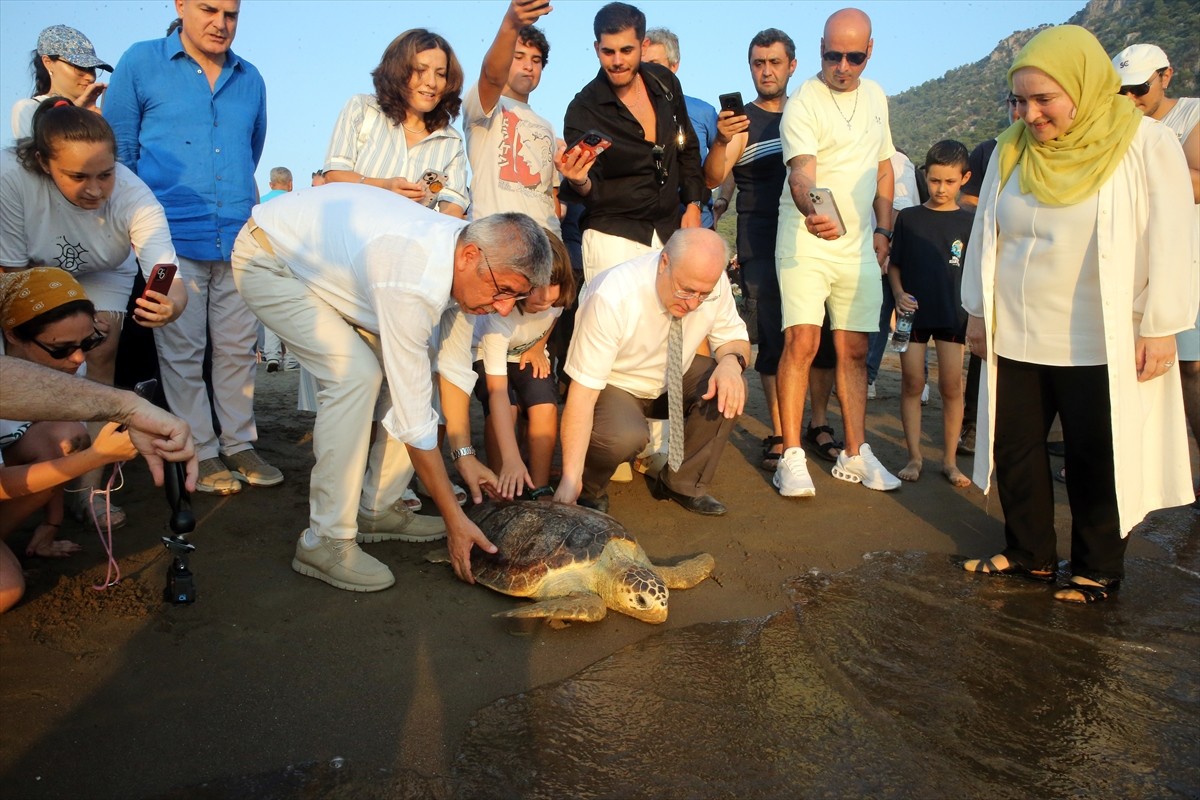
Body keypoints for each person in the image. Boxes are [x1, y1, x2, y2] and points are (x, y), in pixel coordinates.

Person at [961, 25, 1197, 604]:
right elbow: (986, 230)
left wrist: (1161, 324)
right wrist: (977, 312)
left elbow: (1173, 235)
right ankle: (1029, 553)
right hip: (1018, 325)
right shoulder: (1010, 148)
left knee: (1097, 452)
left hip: (1101, 332)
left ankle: (1098, 567)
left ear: (1085, 87)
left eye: (1045, 99)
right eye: (1020, 100)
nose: (1031, 113)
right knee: (1014, 444)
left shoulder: (1144, 143)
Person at [230, 183, 551, 592]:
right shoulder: (412, 277)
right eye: (503, 291)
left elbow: (450, 369)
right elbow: (415, 418)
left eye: (516, 298)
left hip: (333, 267)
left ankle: (378, 507)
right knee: (354, 376)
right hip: (269, 259)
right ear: (471, 256)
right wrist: (456, 520)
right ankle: (325, 539)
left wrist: (465, 457)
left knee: (412, 374)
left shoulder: (467, 265)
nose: (504, 308)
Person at [105, 0, 279, 496]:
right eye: (208, 9)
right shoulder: (141, 62)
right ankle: (199, 449)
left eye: (232, 13)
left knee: (238, 348)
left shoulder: (251, 79)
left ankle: (239, 442)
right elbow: (121, 154)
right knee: (179, 349)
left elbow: (252, 149)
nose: (221, 23)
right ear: (180, 5)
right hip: (166, 244)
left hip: (238, 239)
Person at [1, 101, 187, 527]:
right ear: (44, 163)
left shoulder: (135, 197)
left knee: (100, 349)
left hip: (105, 268)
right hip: (25, 268)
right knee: (29, 349)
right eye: (78, 176)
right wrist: (67, 317)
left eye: (105, 174)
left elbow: (168, 276)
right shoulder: (10, 177)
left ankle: (88, 490)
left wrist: (170, 305)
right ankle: (31, 460)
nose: (95, 190)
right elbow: (10, 282)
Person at [772, 7, 901, 498]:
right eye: (832, 55)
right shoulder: (805, 99)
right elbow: (801, 173)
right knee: (802, 343)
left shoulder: (876, 97)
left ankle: (854, 452)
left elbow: (884, 169)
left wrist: (883, 230)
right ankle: (791, 456)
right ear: (820, 48)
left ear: (869, 52)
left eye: (853, 56)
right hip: (807, 237)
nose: (842, 66)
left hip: (860, 245)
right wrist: (814, 210)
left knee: (853, 348)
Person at [553, 228, 750, 516]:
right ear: (664, 263)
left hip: (675, 375)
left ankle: (683, 482)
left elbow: (734, 336)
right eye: (686, 290)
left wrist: (733, 363)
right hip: (616, 382)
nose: (693, 303)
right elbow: (581, 395)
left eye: (703, 295)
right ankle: (589, 488)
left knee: (729, 385)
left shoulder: (713, 282)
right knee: (624, 436)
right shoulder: (612, 295)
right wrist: (569, 480)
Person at [704, 28, 797, 470]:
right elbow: (720, 170)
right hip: (759, 238)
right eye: (758, 63)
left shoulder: (807, 113)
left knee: (811, 334)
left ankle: (814, 425)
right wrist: (722, 142)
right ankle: (781, 432)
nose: (766, 71)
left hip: (805, 238)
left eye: (774, 62)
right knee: (775, 336)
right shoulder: (743, 122)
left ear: (791, 66)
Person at [559, 2, 705, 281]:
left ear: (643, 45)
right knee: (615, 325)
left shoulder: (665, 84)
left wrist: (694, 205)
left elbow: (687, 149)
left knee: (671, 324)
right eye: (608, 51)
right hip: (612, 238)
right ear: (596, 48)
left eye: (626, 50)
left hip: (670, 232)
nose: (617, 61)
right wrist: (578, 180)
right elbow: (592, 188)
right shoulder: (582, 108)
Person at [1112, 43, 1200, 505]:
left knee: (1189, 368)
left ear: (1167, 75)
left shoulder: (1189, 116)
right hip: (1128, 261)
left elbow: (1196, 182)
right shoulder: (1122, 126)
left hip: (1184, 258)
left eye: (1139, 88)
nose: (1130, 99)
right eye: (1119, 90)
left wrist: (1151, 166)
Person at [886, 140, 974, 487]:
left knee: (952, 386)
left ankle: (950, 461)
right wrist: (898, 294)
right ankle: (914, 456)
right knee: (912, 383)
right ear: (926, 175)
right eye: (935, 180)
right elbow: (895, 266)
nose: (941, 188)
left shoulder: (970, 223)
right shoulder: (909, 218)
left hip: (953, 313)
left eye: (949, 182)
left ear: (964, 178)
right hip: (913, 316)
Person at [321, 28, 469, 218]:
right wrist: (385, 187)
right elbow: (334, 175)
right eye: (420, 70)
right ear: (398, 71)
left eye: (441, 74)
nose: (431, 82)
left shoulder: (451, 141)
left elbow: (453, 207)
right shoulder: (363, 109)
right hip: (352, 240)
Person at [472, 234, 575, 499]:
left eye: (553, 284)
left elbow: (552, 318)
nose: (544, 296)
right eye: (536, 286)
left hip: (526, 353)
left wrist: (539, 345)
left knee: (545, 405)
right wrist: (511, 458)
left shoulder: (555, 301)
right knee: (507, 408)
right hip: (487, 354)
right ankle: (502, 478)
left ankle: (538, 485)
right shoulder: (500, 315)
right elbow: (496, 390)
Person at [957, 92, 1021, 455]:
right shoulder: (991, 150)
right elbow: (968, 200)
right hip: (994, 265)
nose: (1018, 109)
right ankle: (972, 426)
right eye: (1013, 100)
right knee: (984, 354)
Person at [464, 0, 559, 235]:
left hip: (546, 246)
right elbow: (492, 76)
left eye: (536, 60)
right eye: (519, 56)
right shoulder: (486, 103)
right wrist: (511, 24)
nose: (528, 66)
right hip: (494, 238)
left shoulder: (547, 127)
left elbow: (551, 199)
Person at [642, 27, 719, 229]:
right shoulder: (626, 113)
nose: (645, 71)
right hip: (647, 226)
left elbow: (724, 165)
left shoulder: (703, 112)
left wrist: (723, 202)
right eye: (641, 64)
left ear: (674, 65)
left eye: (654, 64)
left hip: (695, 223)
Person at [11, 25, 112, 140]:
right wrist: (75, 113)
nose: (90, 77)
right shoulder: (29, 109)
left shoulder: (96, 114)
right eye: (79, 67)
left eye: (92, 68)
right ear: (48, 62)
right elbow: (39, 154)